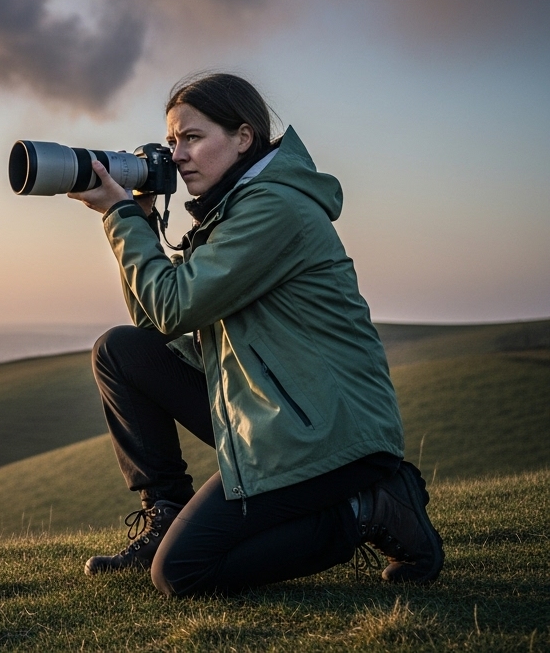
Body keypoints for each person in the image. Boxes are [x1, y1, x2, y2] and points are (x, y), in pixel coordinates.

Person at [70, 72, 443, 597]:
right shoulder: (231, 209)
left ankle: (371, 508)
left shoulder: (273, 208)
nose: (177, 155)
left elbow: (175, 305)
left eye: (193, 138)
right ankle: (165, 515)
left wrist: (117, 212)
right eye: (173, 141)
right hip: (271, 417)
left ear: (243, 137)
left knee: (182, 573)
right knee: (122, 351)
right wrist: (143, 218)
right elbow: (157, 323)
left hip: (329, 436)